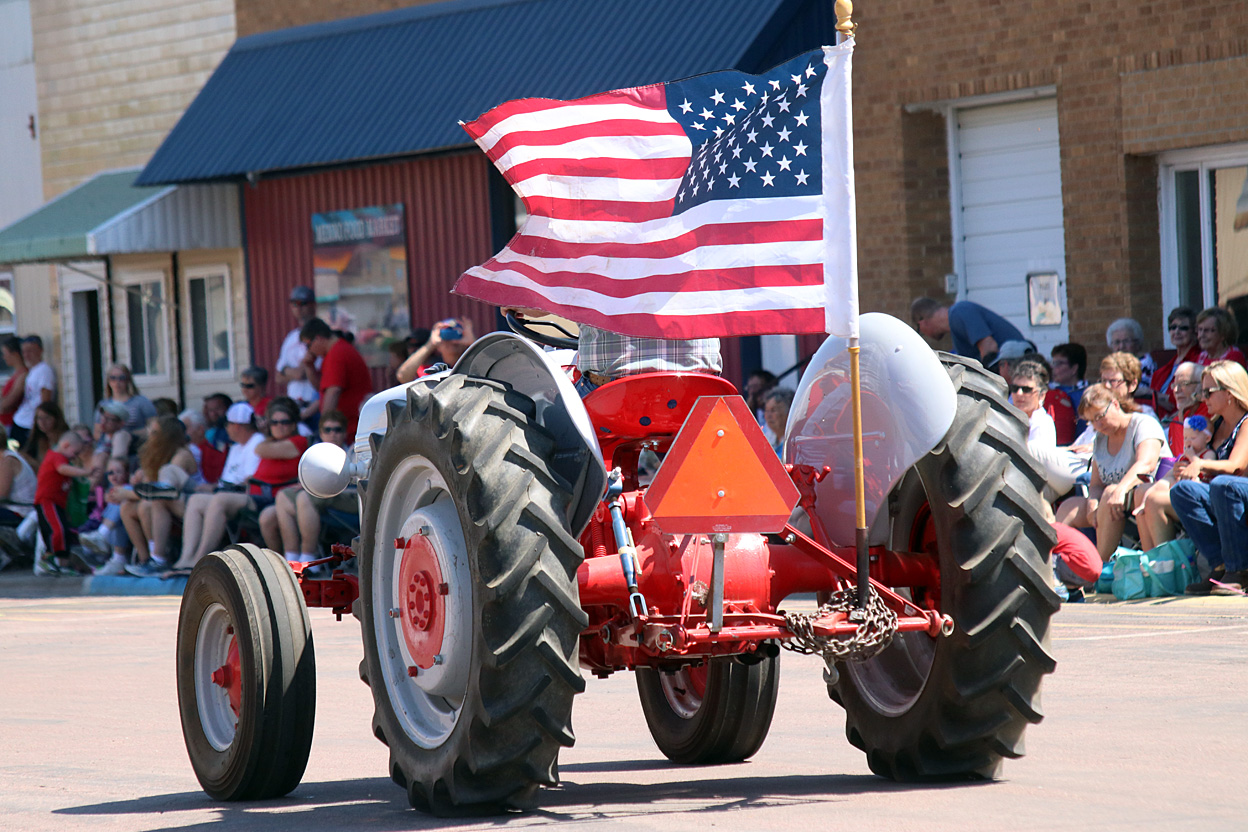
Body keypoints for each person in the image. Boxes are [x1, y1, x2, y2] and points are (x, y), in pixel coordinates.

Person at [163, 401, 297, 577]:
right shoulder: (236, 447)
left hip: (252, 496)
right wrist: (212, 488)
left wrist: (219, 490)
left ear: (238, 426)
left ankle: (199, 558)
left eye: (228, 424)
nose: (226, 429)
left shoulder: (257, 442)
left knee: (220, 499)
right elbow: (226, 481)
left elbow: (247, 482)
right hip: (229, 493)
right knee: (196, 500)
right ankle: (185, 558)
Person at [1055, 384, 1165, 563]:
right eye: (1091, 421)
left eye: (1100, 416)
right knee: (1069, 507)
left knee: (1110, 492)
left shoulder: (1143, 424)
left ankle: (1097, 566)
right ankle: (1061, 566)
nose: (1098, 425)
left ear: (1114, 404)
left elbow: (1146, 463)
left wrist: (1120, 490)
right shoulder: (1100, 438)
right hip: (1111, 501)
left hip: (1145, 494)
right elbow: (1097, 483)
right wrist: (1092, 502)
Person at [1168, 361, 1248, 595]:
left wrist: (1202, 464)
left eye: (1208, 392)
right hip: (1227, 494)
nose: (1203, 398)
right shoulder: (1216, 426)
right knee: (1182, 491)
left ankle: (1240, 570)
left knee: (1224, 484)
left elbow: (1236, 467)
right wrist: (1189, 466)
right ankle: (1219, 567)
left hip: (1237, 489)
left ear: (1230, 393)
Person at [260, 410, 354, 564]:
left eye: (337, 430)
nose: (333, 434)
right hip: (317, 498)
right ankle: (288, 558)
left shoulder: (351, 452)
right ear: (321, 433)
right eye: (328, 430)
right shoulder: (314, 454)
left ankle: (309, 559)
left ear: (344, 433)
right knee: (278, 501)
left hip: (345, 495)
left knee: (304, 497)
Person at [119, 416, 199, 576]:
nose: (150, 436)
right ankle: (145, 559)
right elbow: (151, 486)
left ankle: (158, 559)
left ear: (167, 436)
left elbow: (164, 491)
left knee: (148, 504)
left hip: (190, 504)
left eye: (155, 432)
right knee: (127, 507)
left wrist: (127, 493)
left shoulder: (181, 455)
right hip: (171, 503)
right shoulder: (160, 454)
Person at [1009, 359, 1080, 503]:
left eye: (1027, 389)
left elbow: (1034, 468)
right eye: (1015, 388)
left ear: (1041, 395)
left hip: (1047, 482)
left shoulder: (1042, 422)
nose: (1019, 394)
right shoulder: (1009, 419)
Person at [33, 431, 91, 576]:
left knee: (61, 530)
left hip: (57, 503)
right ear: (65, 445)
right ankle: (52, 559)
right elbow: (62, 469)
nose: (75, 456)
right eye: (75, 452)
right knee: (58, 530)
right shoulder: (56, 457)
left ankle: (61, 562)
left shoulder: (61, 458)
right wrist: (84, 472)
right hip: (47, 501)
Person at [301, 318, 372, 435]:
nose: (308, 351)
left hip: (349, 429)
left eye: (308, 345)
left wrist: (325, 430)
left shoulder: (337, 354)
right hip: (348, 427)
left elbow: (333, 392)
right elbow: (322, 388)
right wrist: (309, 367)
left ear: (318, 338)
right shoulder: (335, 352)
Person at [910, 297, 1024, 364]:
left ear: (922, 323)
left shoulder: (960, 311)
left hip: (1020, 369)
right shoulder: (956, 328)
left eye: (921, 332)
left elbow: (990, 348)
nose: (925, 334)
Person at [80, 459, 136, 576]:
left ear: (126, 474)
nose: (114, 475)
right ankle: (102, 540)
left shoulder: (129, 489)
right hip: (103, 530)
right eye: (110, 473)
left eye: (118, 472)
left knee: (121, 502)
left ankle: (104, 538)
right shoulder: (105, 492)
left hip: (127, 530)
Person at [276, 286, 321, 424]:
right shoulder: (291, 337)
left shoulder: (320, 334)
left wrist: (285, 370)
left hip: (314, 406)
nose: (298, 307)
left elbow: (301, 373)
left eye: (303, 303)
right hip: (294, 407)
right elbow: (278, 377)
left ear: (313, 304)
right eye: (294, 303)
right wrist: (287, 371)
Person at [395, 317, 478, 383]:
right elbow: (403, 376)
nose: (452, 341)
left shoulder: (474, 366)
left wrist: (473, 343)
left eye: (456, 334)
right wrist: (431, 343)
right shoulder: (432, 370)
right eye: (446, 336)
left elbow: (489, 368)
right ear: (438, 347)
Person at [1152, 307, 1200, 415]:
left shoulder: (1197, 362)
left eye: (1183, 328)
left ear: (1194, 332)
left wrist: (1155, 396)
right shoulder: (1162, 372)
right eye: (1173, 327)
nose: (1177, 332)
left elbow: (1176, 401)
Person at [13, 335, 56, 448]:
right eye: (24, 352)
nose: (26, 355)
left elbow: (45, 400)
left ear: (40, 350)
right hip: (21, 420)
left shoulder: (44, 370)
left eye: (30, 351)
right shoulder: (32, 371)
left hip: (30, 424)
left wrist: (38, 423)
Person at [96, 363, 156, 438]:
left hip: (136, 445)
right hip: (110, 446)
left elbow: (154, 428)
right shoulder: (103, 405)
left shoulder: (141, 402)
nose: (117, 382)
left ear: (128, 380)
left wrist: (129, 434)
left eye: (122, 378)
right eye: (113, 378)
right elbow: (97, 434)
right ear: (108, 381)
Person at [88, 401, 133, 490]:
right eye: (103, 417)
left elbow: (117, 464)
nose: (103, 422)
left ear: (121, 423)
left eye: (109, 419)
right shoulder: (103, 438)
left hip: (114, 483)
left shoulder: (122, 435)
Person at [1106, 318, 1156, 390]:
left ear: (1137, 343)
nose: (1121, 346)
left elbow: (1142, 389)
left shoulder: (1145, 364)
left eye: (1126, 341)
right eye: (1117, 342)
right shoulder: (1111, 365)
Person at [21, 401, 68, 469]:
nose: (42, 422)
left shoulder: (65, 438)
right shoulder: (37, 438)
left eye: (47, 418)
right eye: (39, 418)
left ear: (56, 419)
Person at [0, 336, 28, 437]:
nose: (4, 357)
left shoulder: (23, 374)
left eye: (5, 354)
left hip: (10, 425)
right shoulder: (15, 375)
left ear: (15, 354)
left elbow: (6, 404)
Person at [1050, 342, 1089, 410]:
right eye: (1053, 363)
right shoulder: (1048, 391)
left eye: (1058, 363)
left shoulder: (1089, 394)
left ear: (1074, 369)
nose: (1052, 367)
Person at [764, 388, 794, 457]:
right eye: (766, 410)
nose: (768, 415)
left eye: (773, 410)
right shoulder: (765, 438)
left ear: (789, 413)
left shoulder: (795, 443)